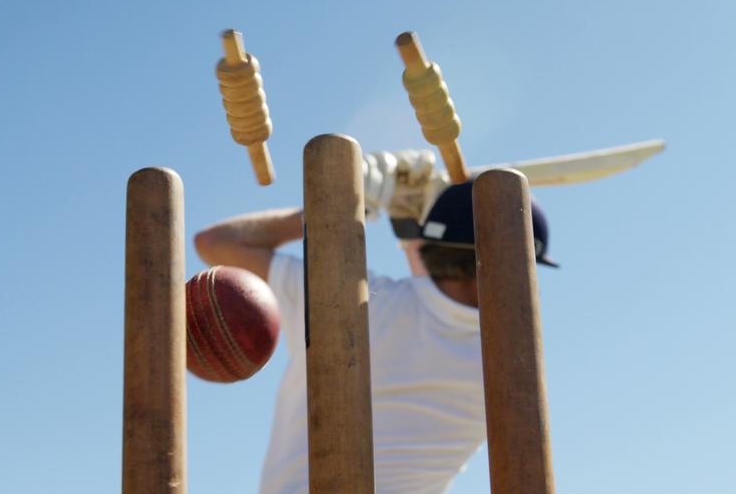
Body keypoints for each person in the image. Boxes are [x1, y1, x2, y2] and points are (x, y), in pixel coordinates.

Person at [193, 180, 557, 494]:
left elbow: (216, 242)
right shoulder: (512, 366)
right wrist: (414, 225)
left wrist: (344, 203)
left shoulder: (349, 300)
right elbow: (438, 297)